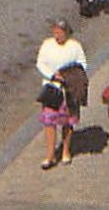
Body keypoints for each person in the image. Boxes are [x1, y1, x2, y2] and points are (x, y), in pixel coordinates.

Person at [35, 19, 88, 170]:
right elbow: (40, 63)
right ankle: (50, 155)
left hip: (69, 89)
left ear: (67, 33)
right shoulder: (47, 45)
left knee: (67, 121)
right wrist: (52, 75)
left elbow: (82, 64)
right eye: (55, 32)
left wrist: (67, 75)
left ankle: (66, 150)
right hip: (52, 88)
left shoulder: (75, 46)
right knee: (49, 120)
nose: (57, 35)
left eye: (60, 32)